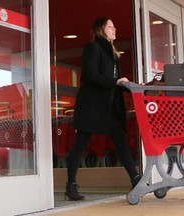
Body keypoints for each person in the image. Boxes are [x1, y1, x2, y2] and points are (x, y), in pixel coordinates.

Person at [65, 17, 141, 201]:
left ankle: (136, 180)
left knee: (121, 142)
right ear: (101, 29)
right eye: (110, 26)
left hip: (109, 108)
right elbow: (91, 75)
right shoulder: (93, 48)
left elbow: (116, 82)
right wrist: (115, 81)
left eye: (114, 26)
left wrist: (136, 86)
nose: (114, 29)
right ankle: (70, 186)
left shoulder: (113, 54)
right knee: (81, 144)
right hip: (92, 106)